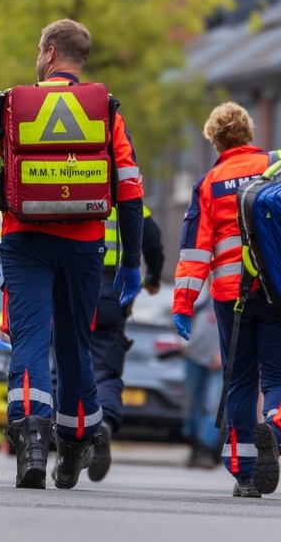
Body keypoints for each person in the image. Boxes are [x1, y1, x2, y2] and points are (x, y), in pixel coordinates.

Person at [0, 19, 144, 490]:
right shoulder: (106, 110)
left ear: (47, 53)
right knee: (73, 345)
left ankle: (30, 442)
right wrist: (130, 260)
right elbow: (129, 188)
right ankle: (76, 443)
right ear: (78, 59)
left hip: (25, 242)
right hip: (86, 245)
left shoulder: (8, 106)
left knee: (28, 342)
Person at [171, 102, 281, 498]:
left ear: (215, 141)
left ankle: (245, 474)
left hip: (233, 299)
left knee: (240, 381)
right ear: (249, 133)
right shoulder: (280, 168)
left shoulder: (209, 183)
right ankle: (278, 428)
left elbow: (195, 252)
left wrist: (182, 305)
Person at [88, 204, 164, 482]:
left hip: (74, 284)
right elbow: (154, 245)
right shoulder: (131, 203)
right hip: (112, 291)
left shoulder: (72, 189)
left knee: (65, 362)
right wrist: (153, 278)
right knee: (106, 370)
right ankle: (104, 421)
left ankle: (68, 440)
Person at [181, 301, 224, 469]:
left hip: (220, 360)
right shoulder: (199, 299)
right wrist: (182, 341)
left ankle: (205, 449)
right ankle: (193, 446)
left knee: (213, 405)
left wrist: (225, 353)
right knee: (190, 406)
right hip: (194, 357)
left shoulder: (233, 294)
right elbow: (179, 313)